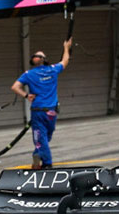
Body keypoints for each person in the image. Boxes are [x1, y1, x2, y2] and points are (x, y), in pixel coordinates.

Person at [10, 39, 72, 170]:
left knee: (40, 138)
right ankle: (38, 155)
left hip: (38, 111)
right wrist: (66, 47)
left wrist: (26, 96)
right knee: (46, 137)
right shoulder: (53, 70)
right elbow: (65, 61)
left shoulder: (29, 74)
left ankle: (47, 163)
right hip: (52, 112)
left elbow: (15, 87)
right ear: (44, 59)